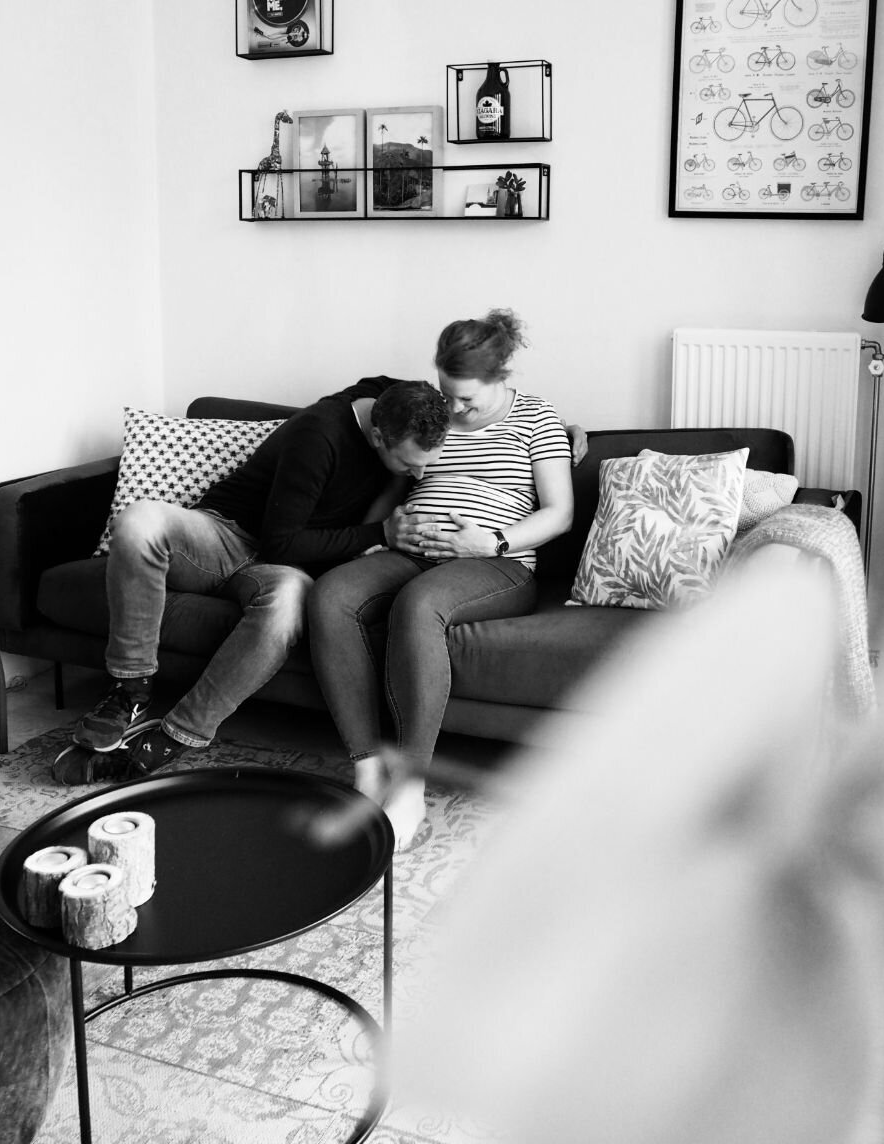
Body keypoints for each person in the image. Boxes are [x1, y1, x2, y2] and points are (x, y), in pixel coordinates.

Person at [52, 378, 450, 785]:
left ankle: (176, 736)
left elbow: (390, 384)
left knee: (291, 602)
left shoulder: (388, 400)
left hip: (280, 574)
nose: (420, 473)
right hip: (228, 536)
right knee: (137, 522)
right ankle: (130, 690)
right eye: (409, 464)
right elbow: (281, 544)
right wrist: (380, 534)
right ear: (379, 435)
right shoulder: (320, 434)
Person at [307, 310, 575, 851]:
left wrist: (493, 541)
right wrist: (387, 528)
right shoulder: (434, 414)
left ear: (502, 378)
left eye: (467, 400)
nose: (453, 410)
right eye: (447, 394)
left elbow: (560, 513)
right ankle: (367, 773)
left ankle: (410, 786)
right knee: (331, 593)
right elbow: (395, 473)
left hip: (495, 563)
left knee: (419, 604)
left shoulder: (537, 419)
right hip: (413, 551)